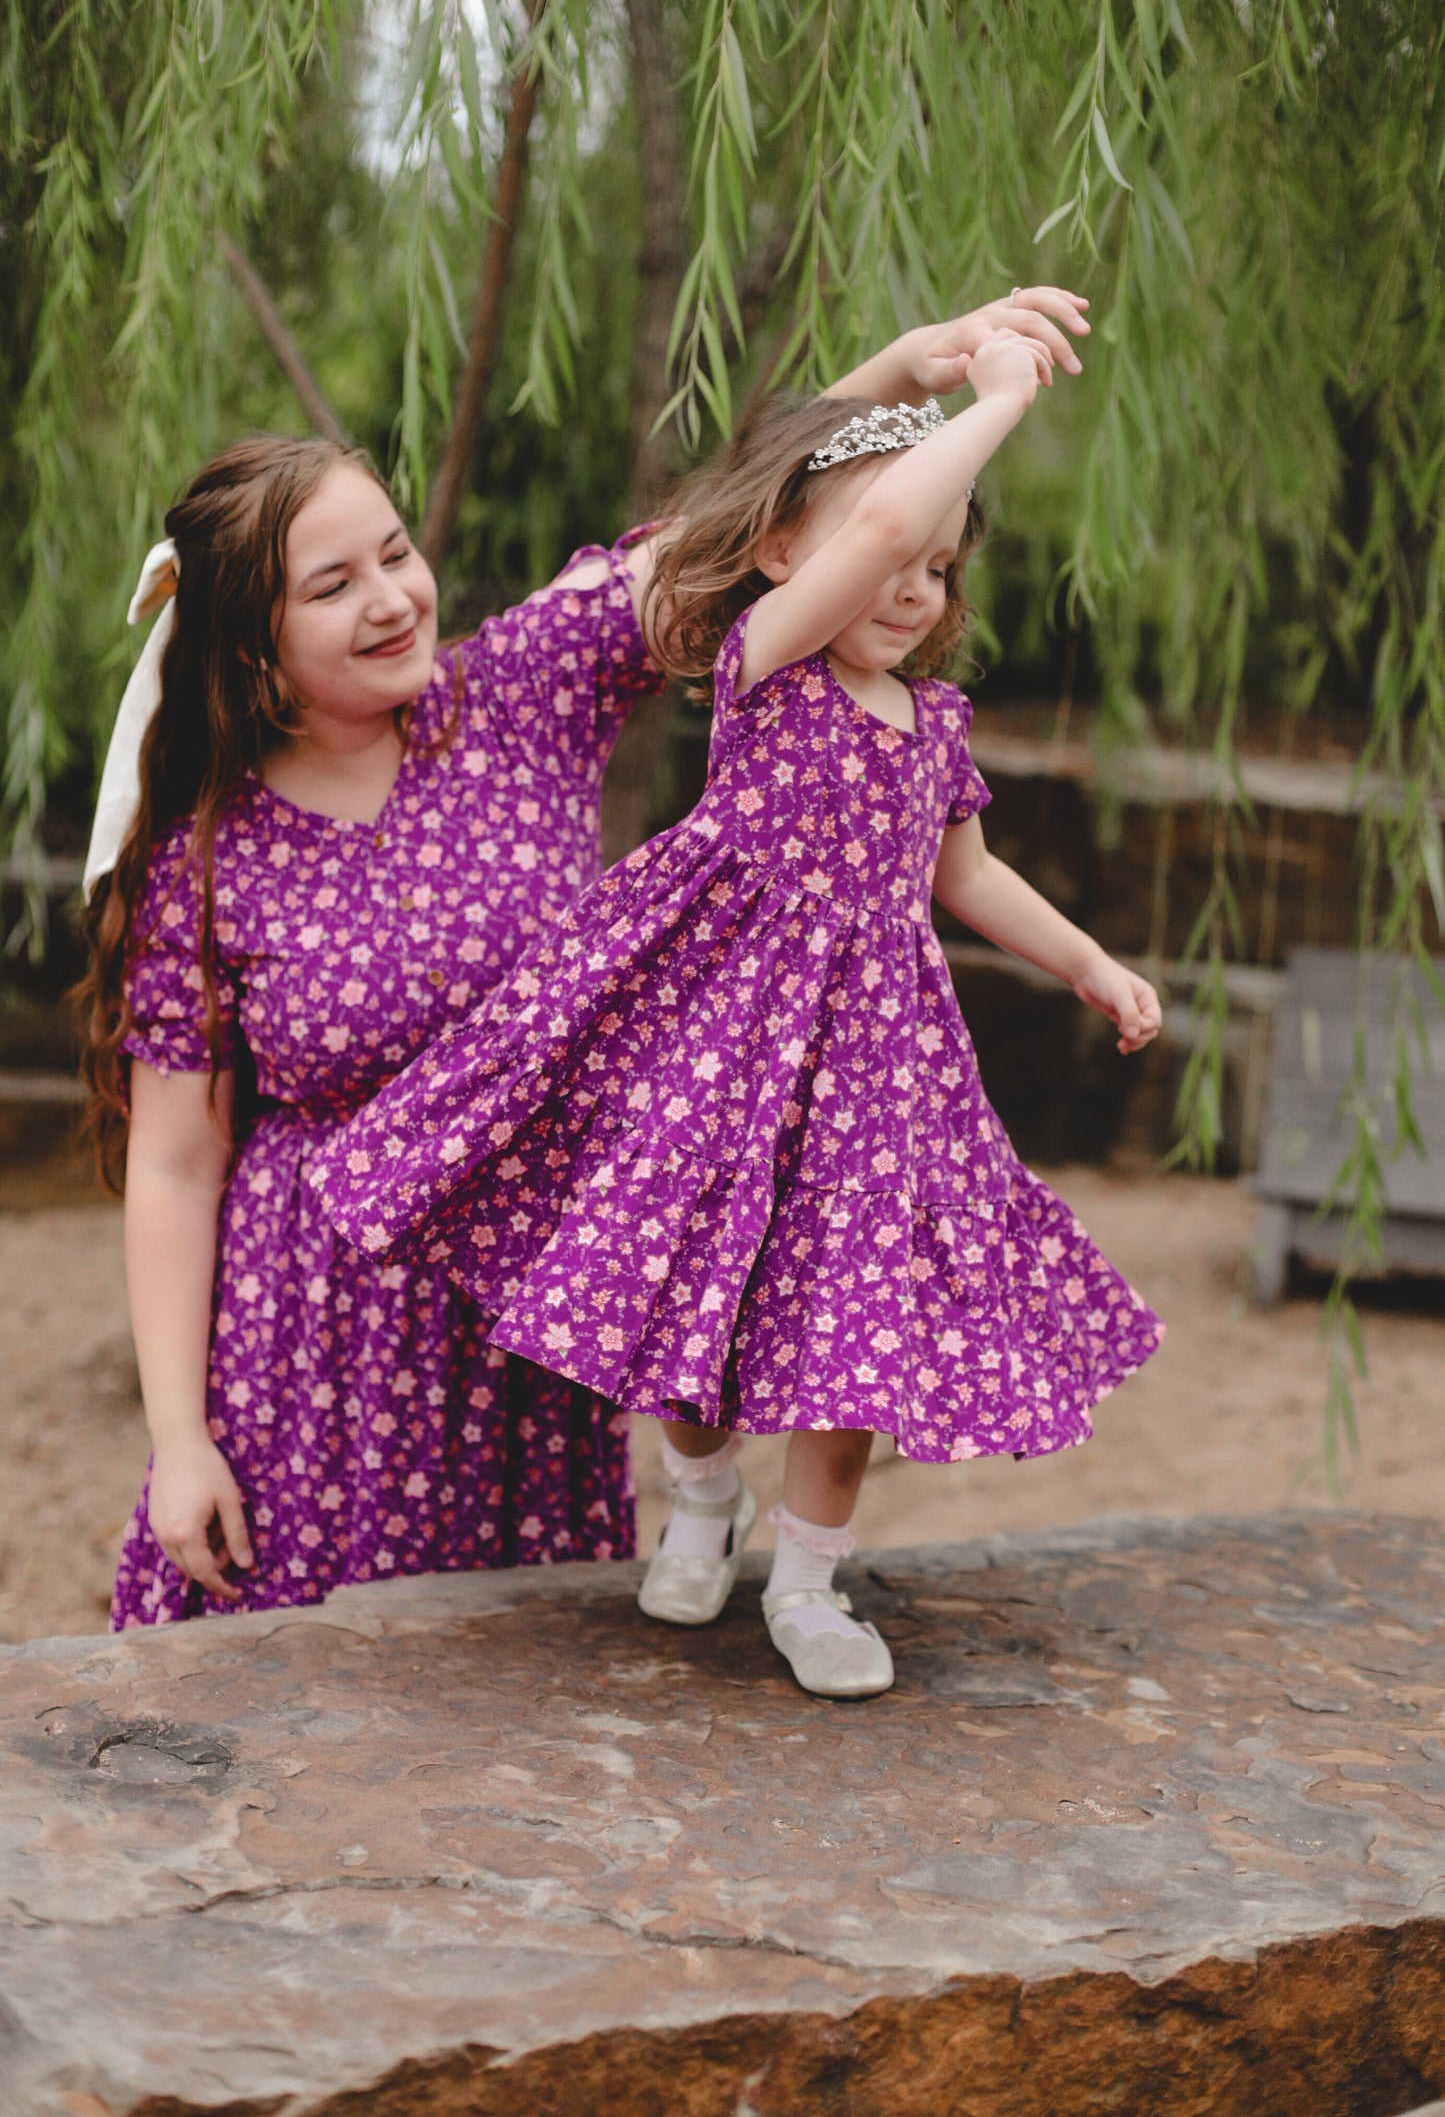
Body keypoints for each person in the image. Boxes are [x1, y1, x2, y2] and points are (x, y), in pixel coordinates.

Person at [80, 290, 1095, 1629]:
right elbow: (174, 1160)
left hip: (527, 1341)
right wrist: (183, 1439)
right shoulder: (209, 861)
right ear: (248, 639)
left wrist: (894, 389)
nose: (392, 599)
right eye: (332, 585)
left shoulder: (519, 693)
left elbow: (753, 541)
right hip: (307, 1355)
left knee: (515, 1715)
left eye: (393, 553)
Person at [311, 311, 1164, 1700]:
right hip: (720, 1030)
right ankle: (697, 1492)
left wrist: (1085, 961)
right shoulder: (762, 662)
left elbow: (969, 873)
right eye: (899, 556)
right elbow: (873, 529)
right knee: (685, 1276)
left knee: (856, 1312)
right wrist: (989, 398)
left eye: (946, 571)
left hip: (877, 1055)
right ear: (784, 556)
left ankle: (812, 1582)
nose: (914, 586)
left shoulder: (930, 723)